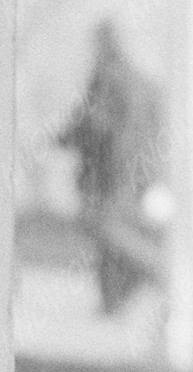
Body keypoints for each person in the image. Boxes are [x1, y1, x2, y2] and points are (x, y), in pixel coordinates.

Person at [59, 19, 171, 317]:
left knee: (105, 229)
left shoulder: (109, 78)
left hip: (112, 176)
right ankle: (113, 302)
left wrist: (62, 138)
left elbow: (96, 124)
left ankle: (163, 272)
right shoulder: (146, 82)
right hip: (142, 177)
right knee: (112, 237)